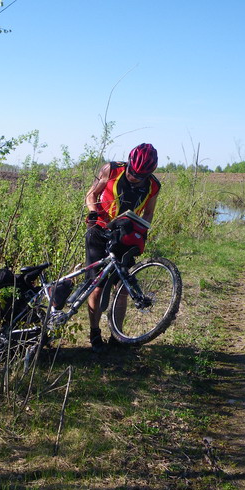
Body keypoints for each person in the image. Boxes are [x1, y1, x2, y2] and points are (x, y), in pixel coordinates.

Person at [83, 143, 161, 352]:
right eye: (133, 173)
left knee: (124, 288)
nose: (135, 177)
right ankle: (94, 333)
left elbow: (149, 213)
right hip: (99, 231)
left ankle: (117, 336)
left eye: (141, 175)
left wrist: (142, 231)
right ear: (129, 164)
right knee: (97, 287)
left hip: (124, 234)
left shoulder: (153, 185)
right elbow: (91, 195)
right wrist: (93, 212)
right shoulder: (111, 170)